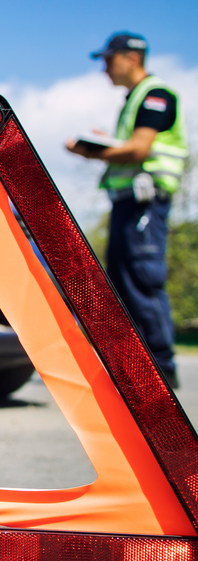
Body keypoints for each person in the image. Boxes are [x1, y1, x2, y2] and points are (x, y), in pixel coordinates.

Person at [67, 32, 188, 388]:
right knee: (122, 282)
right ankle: (137, 369)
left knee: (142, 279)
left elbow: (138, 150)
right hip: (128, 204)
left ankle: (161, 371)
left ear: (131, 58)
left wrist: (93, 151)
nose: (104, 68)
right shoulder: (134, 99)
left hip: (144, 204)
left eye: (108, 60)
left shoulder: (155, 95)